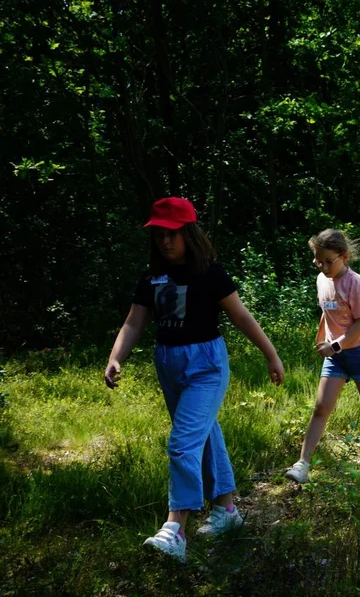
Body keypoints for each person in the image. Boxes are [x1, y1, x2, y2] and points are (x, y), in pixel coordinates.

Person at [104, 197, 284, 562]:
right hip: (168, 363)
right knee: (203, 436)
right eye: (159, 234)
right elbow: (134, 321)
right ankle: (227, 512)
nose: (166, 241)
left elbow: (241, 317)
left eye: (173, 233)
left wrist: (271, 354)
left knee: (182, 442)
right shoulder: (151, 276)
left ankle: (175, 529)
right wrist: (115, 357)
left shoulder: (210, 273)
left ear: (189, 233)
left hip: (206, 365)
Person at [284, 230, 360, 484]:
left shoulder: (355, 283)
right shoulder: (321, 280)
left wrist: (334, 346)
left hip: (359, 352)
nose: (323, 266)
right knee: (321, 407)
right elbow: (327, 312)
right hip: (335, 355)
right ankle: (303, 464)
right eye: (318, 261)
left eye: (328, 261)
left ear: (344, 256)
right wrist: (321, 336)